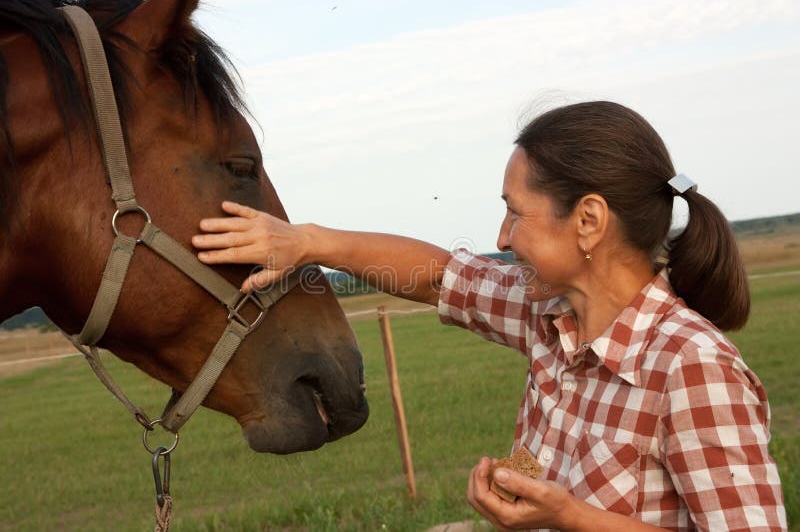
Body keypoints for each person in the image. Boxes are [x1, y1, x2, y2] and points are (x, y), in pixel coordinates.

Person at [191, 101, 786, 531]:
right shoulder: (548, 317)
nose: (500, 237)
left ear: (589, 220)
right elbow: (436, 275)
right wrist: (306, 242)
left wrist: (571, 518)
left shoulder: (693, 369)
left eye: (515, 213)